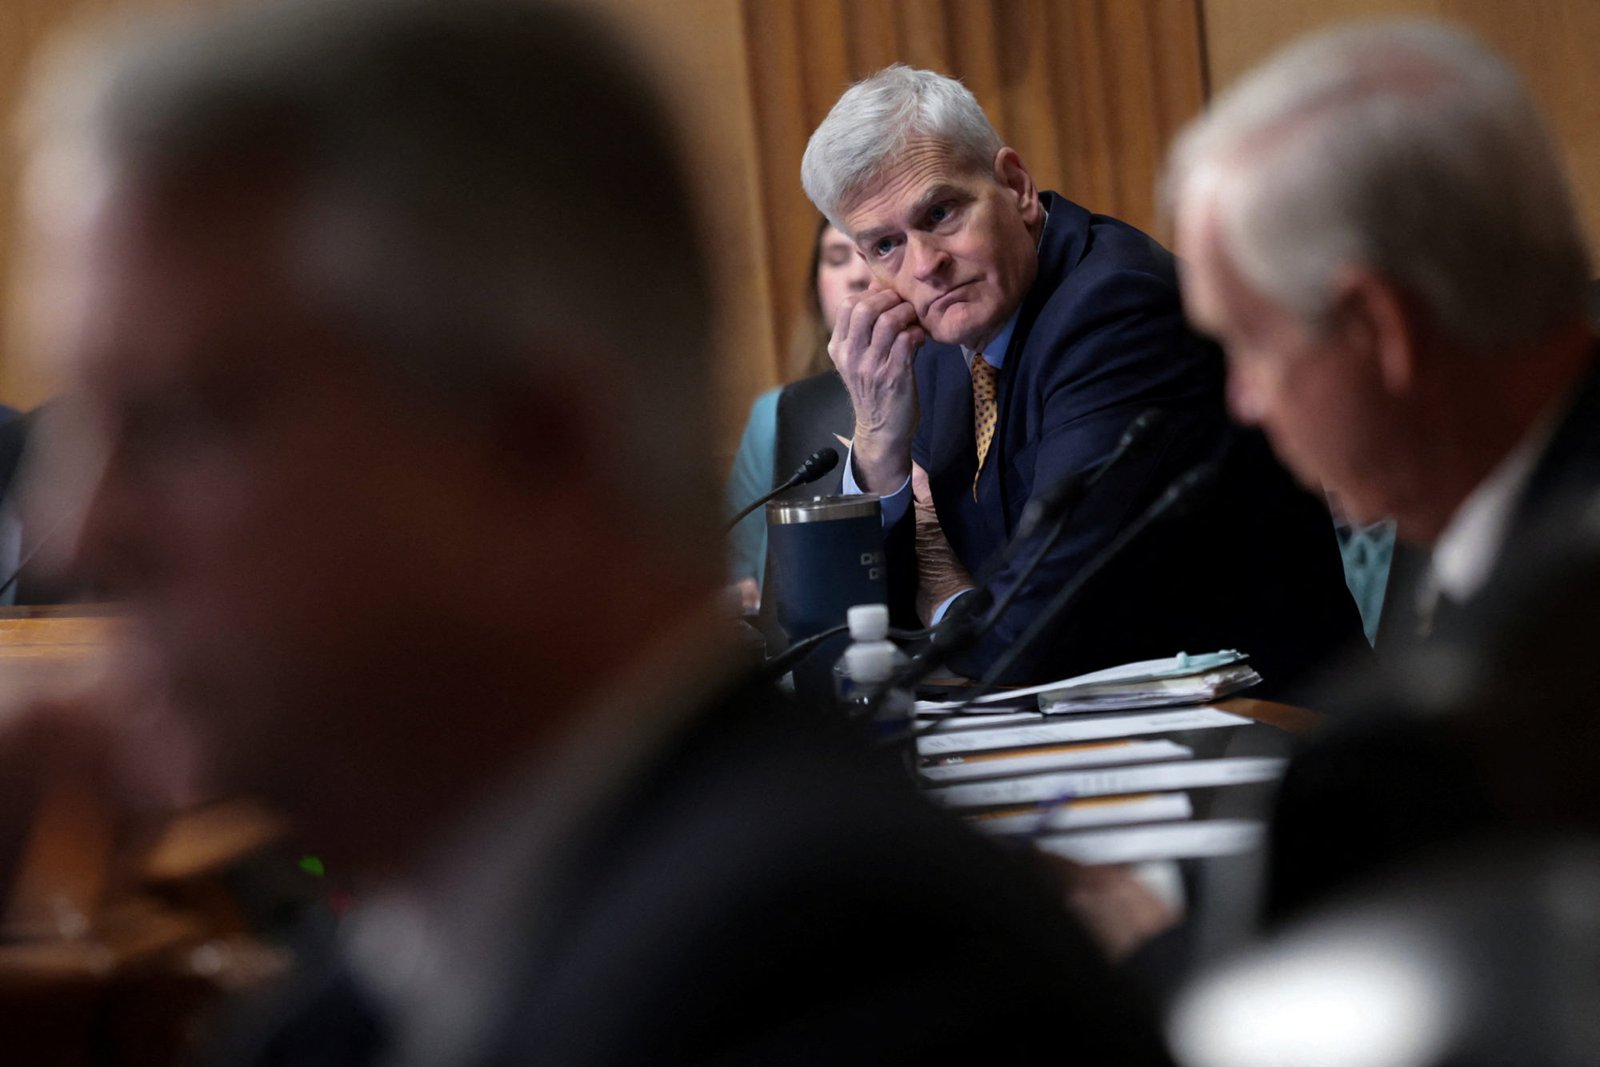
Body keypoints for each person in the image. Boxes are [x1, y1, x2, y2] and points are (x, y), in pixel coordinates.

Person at [10, 1, 1177, 1063]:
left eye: (184, 421)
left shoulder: (849, 983)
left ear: (533, 447)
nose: (72, 531)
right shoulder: (374, 983)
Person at [800, 65, 1363, 693]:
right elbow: (842, 644)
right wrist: (879, 441)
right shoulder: (939, 338)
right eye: (886, 245)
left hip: (1264, 725)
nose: (926, 265)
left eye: (941, 212)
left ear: (1016, 186)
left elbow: (1039, 634)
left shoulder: (1118, 309)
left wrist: (948, 596)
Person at [1164, 20, 1597, 653]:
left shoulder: (1567, 605)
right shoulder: (1444, 492)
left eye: (1251, 344)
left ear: (1378, 327)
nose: (1242, 401)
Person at [725, 219, 862, 612]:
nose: (857, 276)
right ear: (816, 287)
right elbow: (739, 570)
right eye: (837, 259)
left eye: (875, 250)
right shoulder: (773, 414)